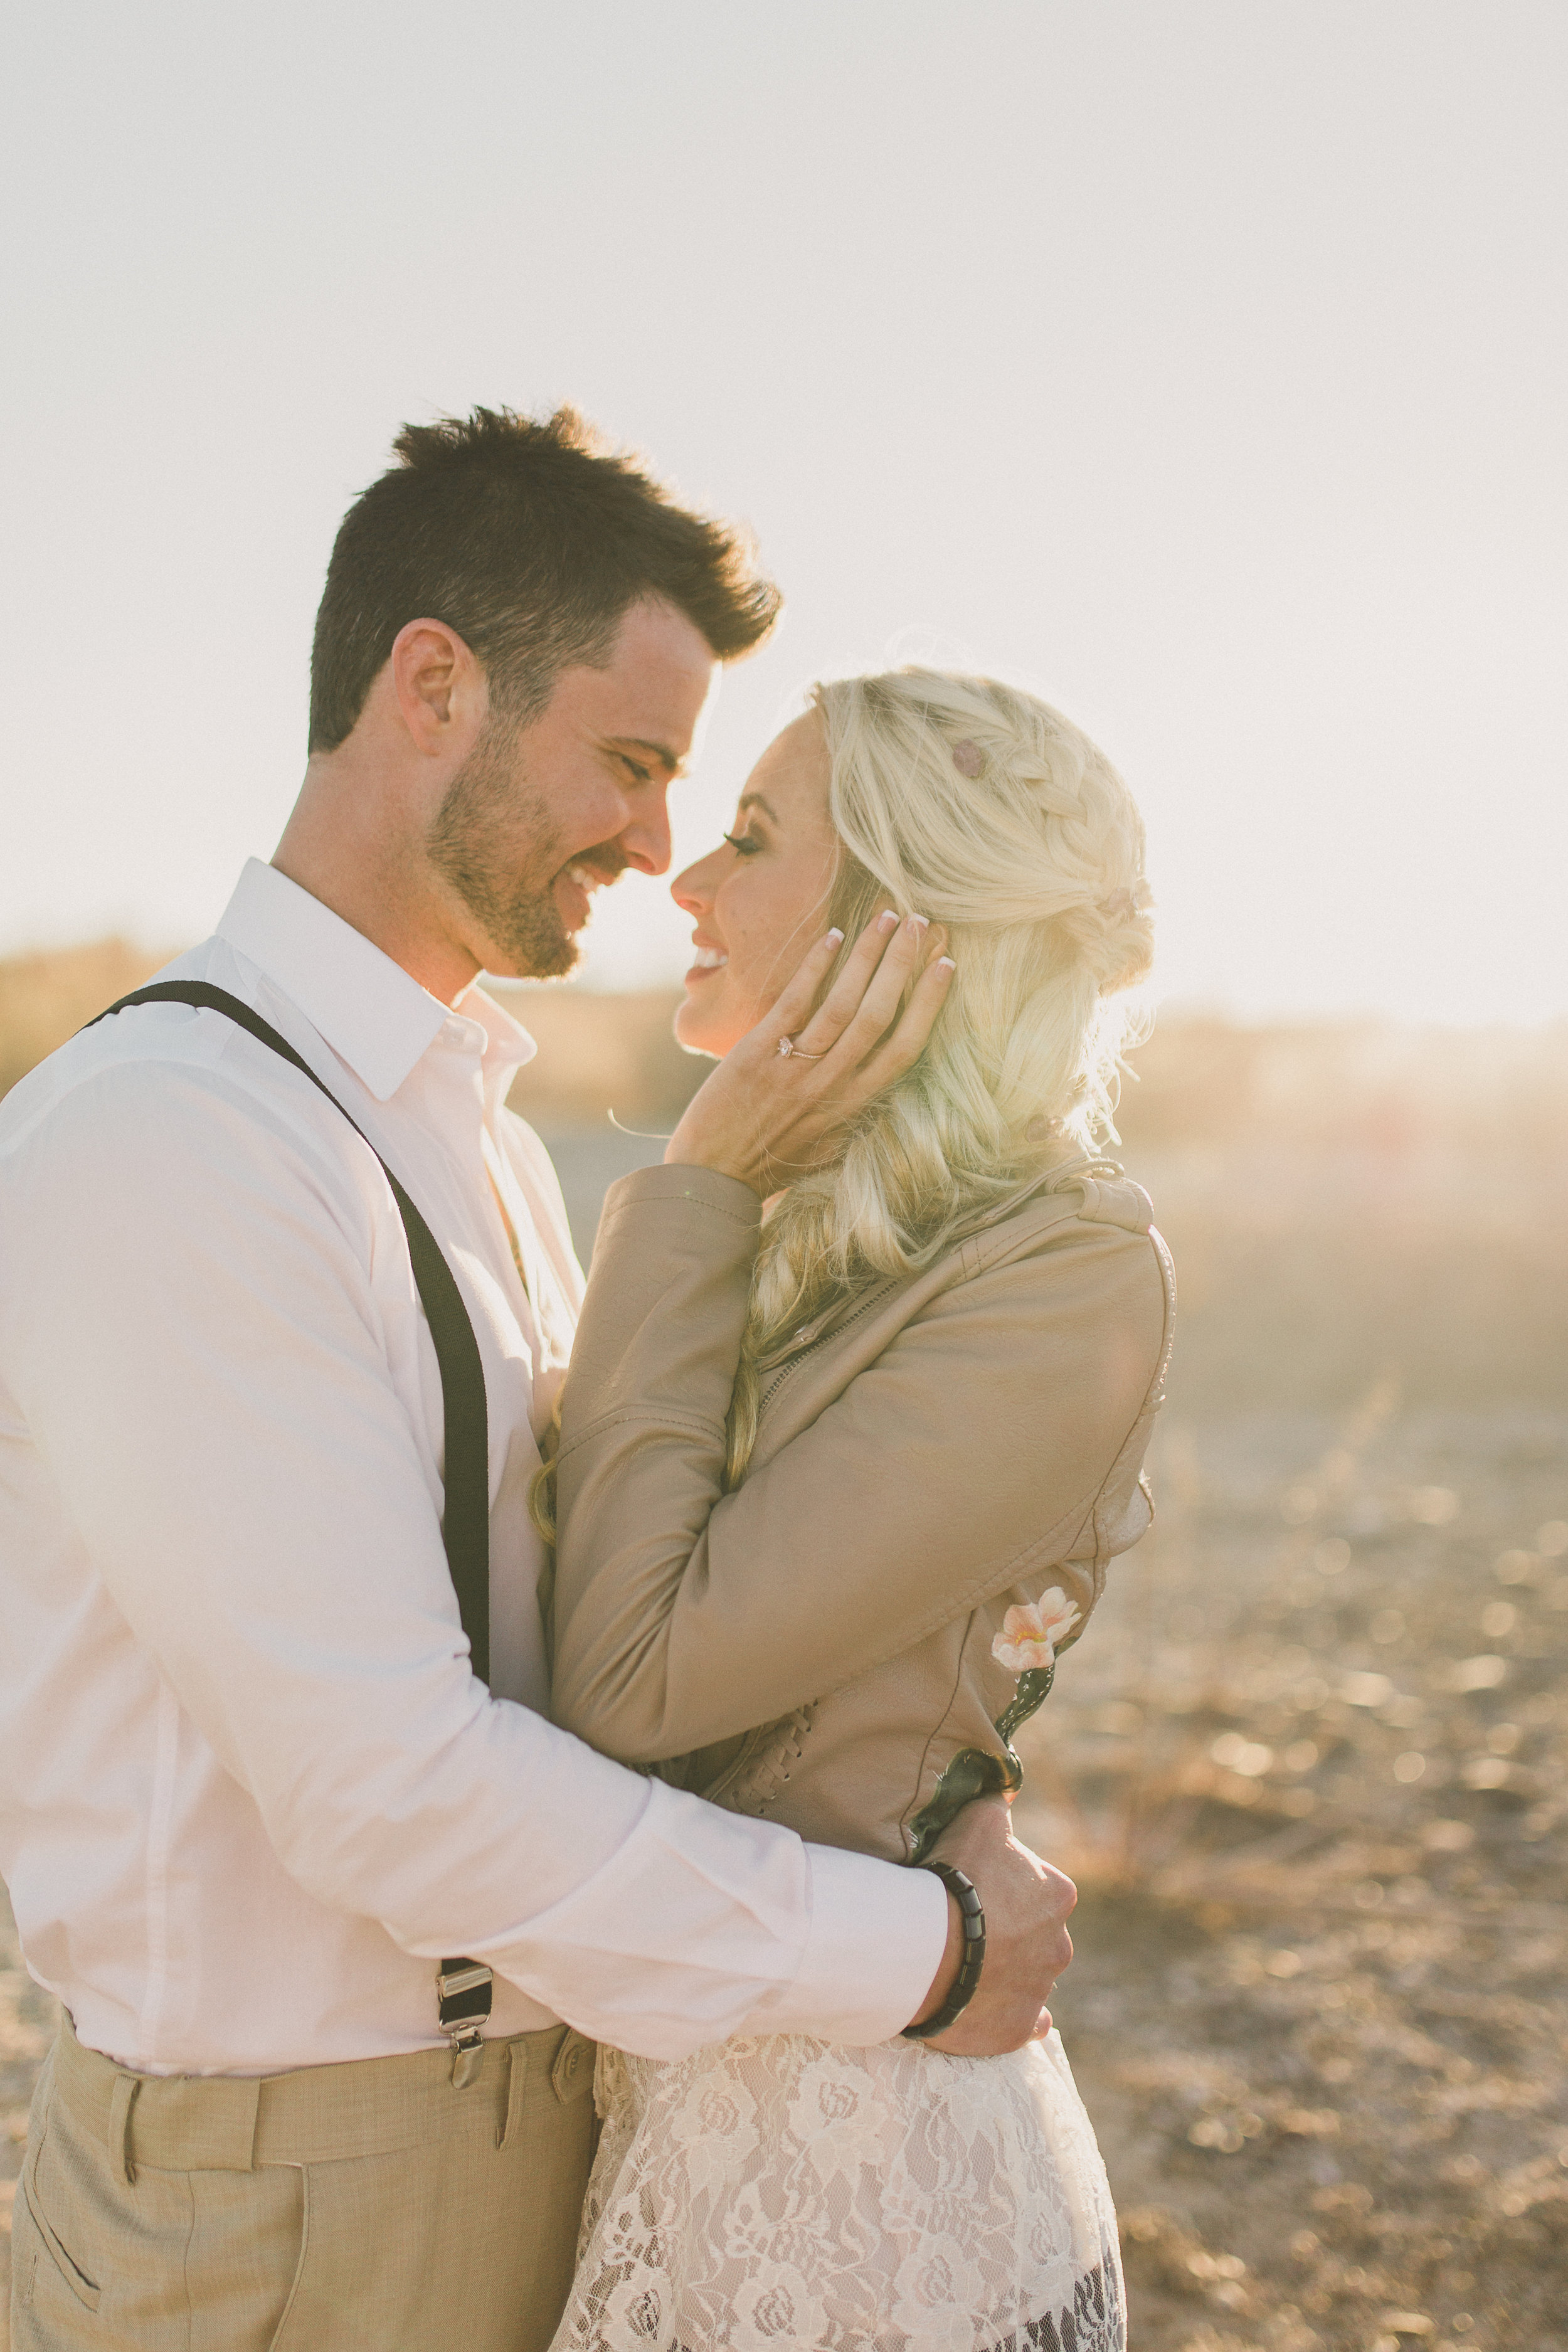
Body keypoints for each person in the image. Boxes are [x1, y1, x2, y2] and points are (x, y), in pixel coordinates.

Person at [0, 415, 1076, 2352]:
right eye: (634, 761)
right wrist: (910, 1954)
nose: (659, 843)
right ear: (434, 687)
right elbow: (388, 1798)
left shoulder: (464, 1126)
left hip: (538, 2123)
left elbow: (602, 1605)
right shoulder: (174, 1138)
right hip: (293, 2203)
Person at [542, 669, 1175, 2352]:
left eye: (748, 838)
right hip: (687, 2108)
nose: (682, 879)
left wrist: (689, 1187)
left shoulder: (1059, 1272)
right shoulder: (810, 1231)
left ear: (903, 923)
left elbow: (629, 1677)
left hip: (853, 2186)